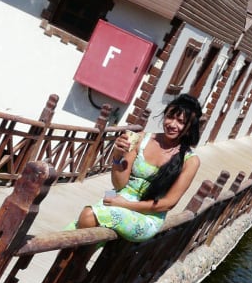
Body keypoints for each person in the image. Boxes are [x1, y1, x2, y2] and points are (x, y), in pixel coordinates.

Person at [74, 94, 203, 241]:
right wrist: (117, 156)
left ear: (190, 127)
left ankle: (74, 256)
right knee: (78, 223)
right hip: (119, 195)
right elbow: (118, 184)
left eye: (181, 122)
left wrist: (126, 205)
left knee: (89, 215)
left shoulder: (190, 161)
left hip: (148, 214)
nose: (172, 124)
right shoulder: (141, 138)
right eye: (170, 117)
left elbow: (167, 204)